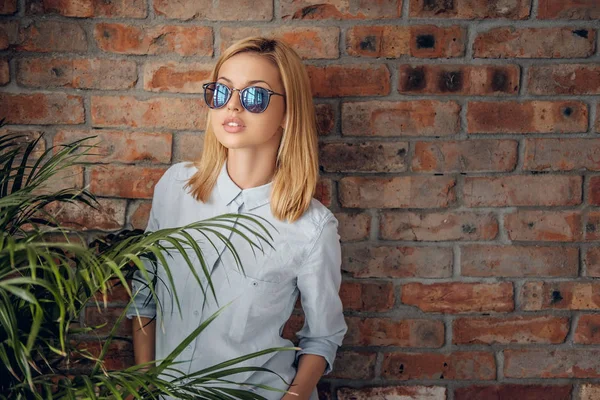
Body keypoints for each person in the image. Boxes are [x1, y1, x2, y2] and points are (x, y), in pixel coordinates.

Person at [126, 37, 347, 400]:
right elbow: (144, 294)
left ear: (288, 113)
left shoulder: (312, 228)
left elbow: (322, 337)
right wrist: (145, 385)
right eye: (221, 92)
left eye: (254, 97)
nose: (232, 107)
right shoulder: (174, 189)